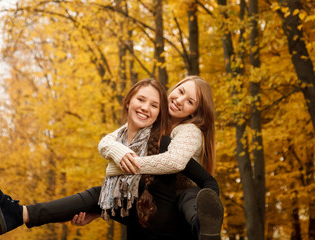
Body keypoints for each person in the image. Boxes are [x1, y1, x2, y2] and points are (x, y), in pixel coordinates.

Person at [73, 76, 224, 240]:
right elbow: (108, 141)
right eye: (180, 91)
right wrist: (99, 211)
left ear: (195, 111)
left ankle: (204, 226)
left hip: (183, 198)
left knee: (189, 198)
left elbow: (174, 161)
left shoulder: (189, 131)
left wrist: (128, 164)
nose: (179, 100)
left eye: (190, 102)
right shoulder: (151, 119)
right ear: (173, 88)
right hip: (155, 199)